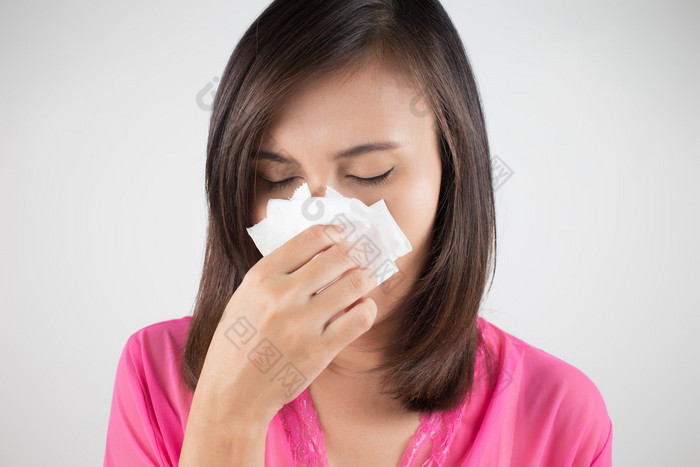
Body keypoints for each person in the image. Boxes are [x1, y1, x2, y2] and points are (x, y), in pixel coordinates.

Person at [104, 1, 612, 465]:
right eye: (277, 179)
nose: (325, 222)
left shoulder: (558, 415)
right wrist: (229, 417)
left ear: (453, 174)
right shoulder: (156, 374)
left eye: (370, 174)